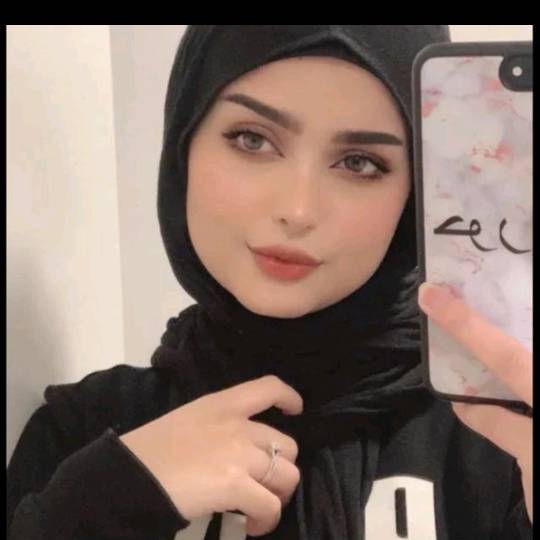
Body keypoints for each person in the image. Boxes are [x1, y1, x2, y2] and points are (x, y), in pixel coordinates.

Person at [7, 25, 532, 540]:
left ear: (413, 195)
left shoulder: (499, 439)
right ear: (184, 145)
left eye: (359, 163)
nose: (297, 210)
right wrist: (112, 500)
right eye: (252, 139)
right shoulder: (83, 433)